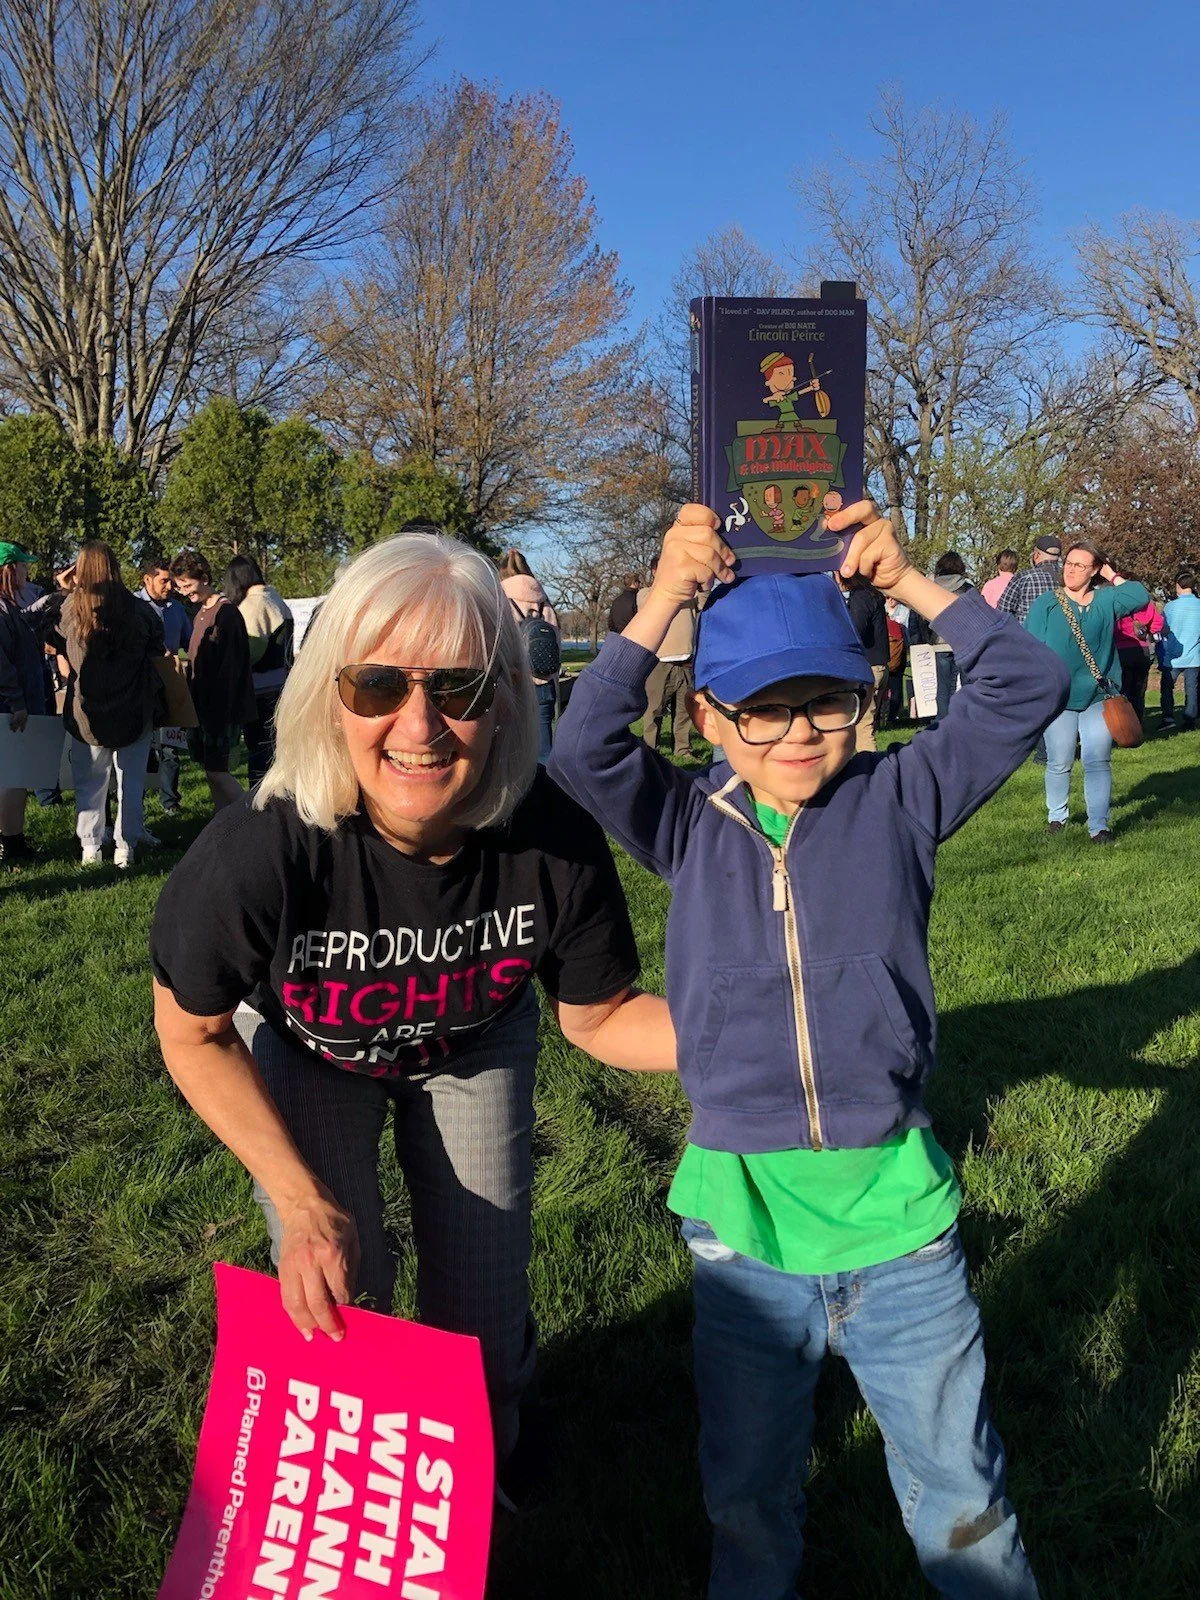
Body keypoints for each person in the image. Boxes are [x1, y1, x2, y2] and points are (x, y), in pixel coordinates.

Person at [551, 500, 1065, 1599]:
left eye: (824, 702)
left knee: (961, 1499)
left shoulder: (902, 799)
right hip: (744, 1236)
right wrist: (663, 598)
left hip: (902, 1235)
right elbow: (580, 745)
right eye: (762, 709)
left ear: (866, 700)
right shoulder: (688, 822)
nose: (795, 734)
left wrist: (916, 584)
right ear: (709, 714)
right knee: (746, 1501)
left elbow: (1028, 685)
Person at [150, 531, 675, 1498]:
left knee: (482, 1290)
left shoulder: (550, 836)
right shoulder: (263, 847)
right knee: (339, 1279)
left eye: (462, 687)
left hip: (473, 1040)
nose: (420, 724)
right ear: (327, 695)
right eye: (378, 685)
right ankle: (364, 1500)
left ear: (509, 699)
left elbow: (598, 1018)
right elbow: (192, 1031)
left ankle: (488, 1463)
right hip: (311, 1048)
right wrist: (306, 1205)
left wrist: (751, 1036)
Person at [1025, 541, 1150, 843]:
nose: (1071, 569)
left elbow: (1139, 596)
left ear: (1094, 570)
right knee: (1060, 760)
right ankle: (1057, 817)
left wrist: (1112, 574)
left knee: (1097, 760)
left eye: (1081, 565)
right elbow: (1030, 648)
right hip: (1059, 697)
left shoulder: (1106, 601)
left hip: (1099, 695)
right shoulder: (1048, 603)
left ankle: (1099, 826)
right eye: (1068, 562)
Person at [53, 541, 165, 868]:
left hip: (87, 714)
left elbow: (52, 633)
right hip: (132, 708)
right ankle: (125, 847)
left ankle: (90, 848)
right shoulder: (141, 611)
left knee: (90, 784)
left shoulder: (71, 609)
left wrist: (65, 590)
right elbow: (157, 650)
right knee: (131, 783)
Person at [169, 550, 256, 812]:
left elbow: (231, 671)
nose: (184, 592)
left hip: (220, 710)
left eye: (188, 585)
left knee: (218, 772)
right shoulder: (200, 614)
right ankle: (223, 824)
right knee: (211, 772)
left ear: (204, 577)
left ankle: (253, 818)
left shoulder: (226, 614)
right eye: (180, 587)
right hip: (203, 709)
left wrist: (220, 711)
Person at [222, 554, 294, 787]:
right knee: (277, 749)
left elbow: (250, 652)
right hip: (283, 684)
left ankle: (259, 800)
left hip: (260, 690)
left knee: (259, 751)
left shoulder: (252, 606)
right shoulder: (276, 599)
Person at [0, 542, 49, 868]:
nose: (26, 572)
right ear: (8, 569)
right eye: (21, 566)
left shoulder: (11, 608)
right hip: (8, 708)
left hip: (15, 703)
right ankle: (12, 844)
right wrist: (17, 702)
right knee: (12, 778)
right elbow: (2, 664)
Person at [137, 556, 193, 817]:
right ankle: (132, 800)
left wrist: (180, 660)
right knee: (138, 744)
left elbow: (187, 646)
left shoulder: (178, 610)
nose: (169, 586)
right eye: (163, 581)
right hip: (140, 684)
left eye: (171, 581)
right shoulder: (132, 606)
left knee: (170, 745)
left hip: (170, 684)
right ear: (147, 580)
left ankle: (170, 801)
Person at [498, 548, 560, 764]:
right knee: (544, 743)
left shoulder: (501, 599)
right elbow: (556, 641)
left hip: (512, 681)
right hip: (544, 680)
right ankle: (548, 789)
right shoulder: (544, 601)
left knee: (511, 744)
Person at [638, 554, 697, 758]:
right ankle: (650, 750)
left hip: (686, 661)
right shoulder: (646, 594)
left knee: (684, 712)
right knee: (653, 711)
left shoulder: (690, 593)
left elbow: (705, 601)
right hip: (659, 663)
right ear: (655, 571)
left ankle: (683, 749)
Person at [909, 552, 973, 721]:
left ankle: (942, 722)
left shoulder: (931, 589)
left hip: (939, 642)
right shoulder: (967, 590)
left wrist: (926, 638)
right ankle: (968, 720)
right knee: (967, 685)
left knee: (943, 686)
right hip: (964, 643)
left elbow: (920, 616)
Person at [836, 570, 889, 750]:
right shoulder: (872, 595)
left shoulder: (861, 597)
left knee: (862, 726)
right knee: (865, 723)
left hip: (868, 668)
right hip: (879, 665)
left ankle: (871, 771)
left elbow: (856, 629)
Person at [1112, 574, 1164, 729]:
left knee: (1123, 691)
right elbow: (1157, 624)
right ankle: (1137, 724)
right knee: (1139, 690)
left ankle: (1124, 726)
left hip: (1121, 650)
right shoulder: (1146, 604)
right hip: (1142, 649)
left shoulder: (1116, 603)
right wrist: (1148, 632)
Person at [1160, 569, 1200, 732]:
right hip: (1194, 655)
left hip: (1173, 655)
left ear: (1178, 586)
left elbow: (1163, 629)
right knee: (1192, 690)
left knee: (1167, 687)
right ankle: (1190, 719)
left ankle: (1168, 717)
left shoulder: (1170, 607)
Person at [995, 535, 1063, 625]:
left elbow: (1003, 610)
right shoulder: (1069, 579)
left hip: (1026, 635)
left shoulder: (1025, 577)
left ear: (1037, 554)